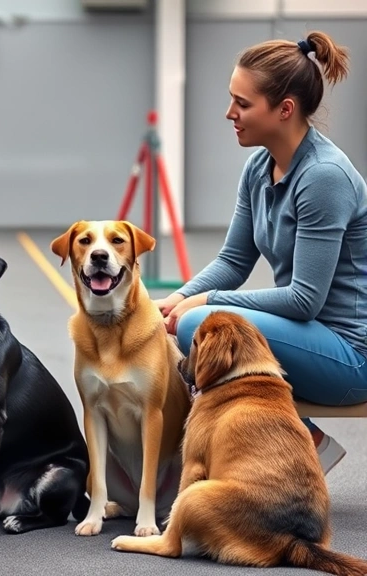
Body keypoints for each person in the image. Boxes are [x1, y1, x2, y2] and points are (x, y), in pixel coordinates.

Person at [156, 31, 367, 476]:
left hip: (349, 355)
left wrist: (205, 303)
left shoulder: (324, 177)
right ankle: (302, 440)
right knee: (182, 319)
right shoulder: (259, 166)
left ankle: (273, 445)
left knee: (201, 324)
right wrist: (176, 298)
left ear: (284, 110)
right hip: (306, 335)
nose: (229, 113)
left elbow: (303, 299)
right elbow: (233, 262)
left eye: (243, 103)